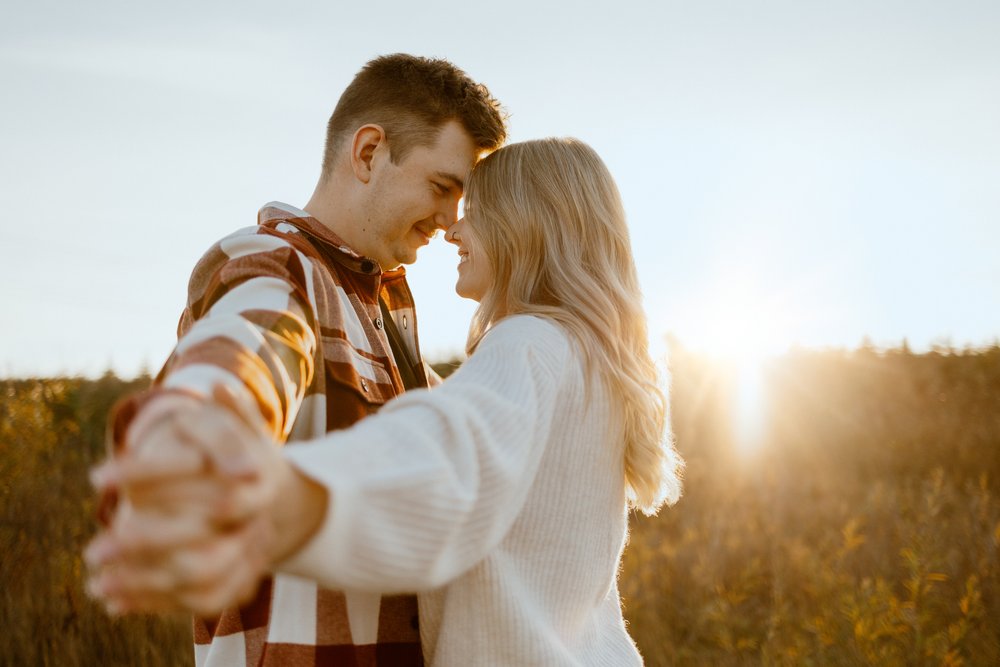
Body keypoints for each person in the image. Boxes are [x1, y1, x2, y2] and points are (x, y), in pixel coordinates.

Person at [88, 139, 684, 665]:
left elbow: (450, 452)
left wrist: (278, 499)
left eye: (474, 211)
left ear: (526, 223)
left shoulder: (528, 345)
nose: (453, 228)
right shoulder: (594, 363)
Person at [89, 53, 507, 667]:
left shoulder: (390, 313)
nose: (451, 222)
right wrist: (197, 438)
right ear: (368, 153)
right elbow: (249, 349)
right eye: (442, 188)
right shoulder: (278, 268)